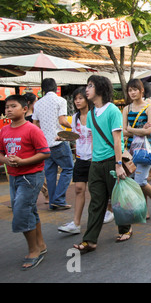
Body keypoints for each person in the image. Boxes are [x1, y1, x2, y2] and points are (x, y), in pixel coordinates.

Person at [73, 75, 132, 254]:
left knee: (117, 200)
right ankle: (89, 240)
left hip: (111, 162)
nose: (86, 89)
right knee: (96, 202)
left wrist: (118, 163)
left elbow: (117, 140)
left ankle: (125, 229)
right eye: (87, 85)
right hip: (95, 164)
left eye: (90, 86)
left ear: (99, 89)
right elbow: (92, 139)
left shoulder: (112, 110)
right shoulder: (91, 114)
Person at [0, 95, 50, 270]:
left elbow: (45, 152)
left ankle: (33, 250)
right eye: (7, 107)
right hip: (13, 177)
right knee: (29, 209)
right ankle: (41, 244)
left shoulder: (32, 130)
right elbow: (0, 153)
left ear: (24, 109)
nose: (9, 110)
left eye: (13, 106)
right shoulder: (4, 131)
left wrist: (22, 161)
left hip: (31, 176)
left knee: (21, 211)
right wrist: (6, 161)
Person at [123, 79, 151, 219]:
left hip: (146, 148)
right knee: (136, 181)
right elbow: (123, 132)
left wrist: (131, 129)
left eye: (135, 89)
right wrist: (138, 130)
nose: (132, 93)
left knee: (140, 181)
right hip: (131, 150)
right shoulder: (126, 109)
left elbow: (149, 131)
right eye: (130, 90)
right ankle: (144, 210)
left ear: (141, 90)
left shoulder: (149, 108)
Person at [32, 78, 73, 210]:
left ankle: (52, 203)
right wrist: (73, 127)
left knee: (50, 174)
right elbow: (62, 121)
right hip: (58, 141)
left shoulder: (37, 104)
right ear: (56, 87)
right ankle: (59, 199)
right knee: (68, 168)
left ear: (43, 89)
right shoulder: (60, 100)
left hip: (44, 144)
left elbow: (35, 125)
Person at [57, 87, 93, 234]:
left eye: (80, 98)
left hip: (95, 158)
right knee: (79, 188)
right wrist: (63, 136)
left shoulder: (94, 115)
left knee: (98, 191)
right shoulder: (75, 117)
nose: (77, 101)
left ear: (87, 99)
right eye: (75, 99)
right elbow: (74, 135)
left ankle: (109, 210)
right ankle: (76, 224)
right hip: (81, 158)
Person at [23, 92, 49, 204]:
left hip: (34, 150)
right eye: (35, 101)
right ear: (30, 103)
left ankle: (47, 193)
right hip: (28, 149)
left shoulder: (33, 118)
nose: (37, 103)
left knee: (37, 173)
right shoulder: (30, 119)